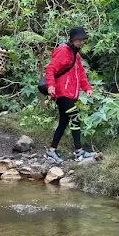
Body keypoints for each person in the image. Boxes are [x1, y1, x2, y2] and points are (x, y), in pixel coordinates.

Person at [45, 27, 97, 164]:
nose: (81, 42)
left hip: (70, 94)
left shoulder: (76, 56)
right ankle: (79, 151)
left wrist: (87, 89)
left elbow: (81, 74)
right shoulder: (63, 52)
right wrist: (51, 85)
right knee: (75, 116)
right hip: (61, 93)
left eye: (82, 40)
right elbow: (51, 69)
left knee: (63, 123)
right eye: (79, 40)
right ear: (72, 40)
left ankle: (51, 150)